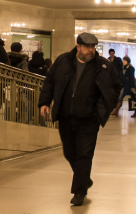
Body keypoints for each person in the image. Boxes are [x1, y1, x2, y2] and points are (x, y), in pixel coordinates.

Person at [37, 33, 121, 207]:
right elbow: (50, 82)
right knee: (70, 153)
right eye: (87, 47)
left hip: (89, 119)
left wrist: (104, 106)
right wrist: (44, 102)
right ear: (78, 47)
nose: (91, 50)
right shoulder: (63, 61)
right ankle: (84, 179)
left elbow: (116, 86)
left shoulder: (103, 65)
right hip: (66, 117)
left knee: (84, 155)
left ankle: (79, 192)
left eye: (93, 47)